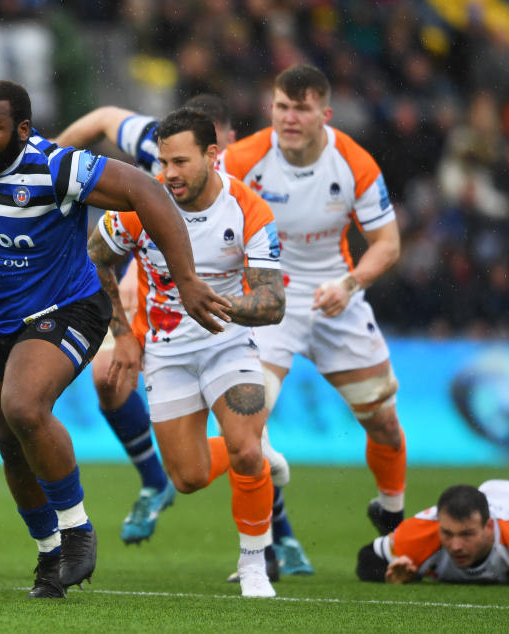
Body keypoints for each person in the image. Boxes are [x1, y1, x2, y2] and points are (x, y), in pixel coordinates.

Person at [0, 80, 231, 598]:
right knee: (9, 443)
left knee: (23, 406)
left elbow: (148, 190)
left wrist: (185, 278)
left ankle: (77, 530)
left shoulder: (56, 168)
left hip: (69, 308)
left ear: (22, 132)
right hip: (0, 318)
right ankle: (50, 557)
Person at [57, 95, 312, 577]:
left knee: (244, 448)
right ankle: (259, 452)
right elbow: (95, 257)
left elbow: (272, 303)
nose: (169, 172)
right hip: (167, 349)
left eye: (180, 162)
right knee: (189, 477)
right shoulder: (142, 202)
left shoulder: (249, 210)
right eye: (162, 161)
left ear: (213, 156)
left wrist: (219, 305)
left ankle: (254, 566)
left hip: (227, 340)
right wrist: (126, 337)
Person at [219, 64, 406, 537]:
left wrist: (350, 284)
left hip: (336, 295)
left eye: (301, 109)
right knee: (245, 432)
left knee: (382, 420)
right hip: (267, 298)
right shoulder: (243, 159)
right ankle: (259, 552)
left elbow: (387, 243)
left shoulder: (354, 163)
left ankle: (391, 511)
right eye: (282, 107)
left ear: (325, 112)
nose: (289, 118)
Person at [357, 480, 509, 584]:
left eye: (467, 534)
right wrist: (388, 574)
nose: (455, 546)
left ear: (489, 527)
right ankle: (391, 529)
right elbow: (367, 557)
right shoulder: (424, 531)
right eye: (447, 533)